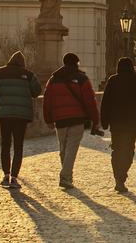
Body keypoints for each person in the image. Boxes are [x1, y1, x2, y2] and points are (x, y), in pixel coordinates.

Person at [43, 52, 101, 190]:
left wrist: (48, 119)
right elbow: (90, 101)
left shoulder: (53, 79)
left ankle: (67, 176)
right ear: (76, 63)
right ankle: (65, 176)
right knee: (71, 149)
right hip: (76, 119)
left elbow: (47, 100)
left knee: (63, 149)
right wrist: (95, 120)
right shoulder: (82, 78)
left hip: (60, 120)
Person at [0, 51, 41, 189]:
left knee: (5, 144)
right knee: (18, 146)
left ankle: (5, 175)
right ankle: (14, 177)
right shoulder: (29, 75)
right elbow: (37, 92)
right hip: (21, 116)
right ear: (23, 63)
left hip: (4, 114)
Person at [100, 57, 136, 193]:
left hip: (116, 123)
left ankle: (118, 177)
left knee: (116, 150)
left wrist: (104, 121)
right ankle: (122, 176)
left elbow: (105, 102)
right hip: (132, 123)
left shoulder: (113, 80)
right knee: (129, 150)